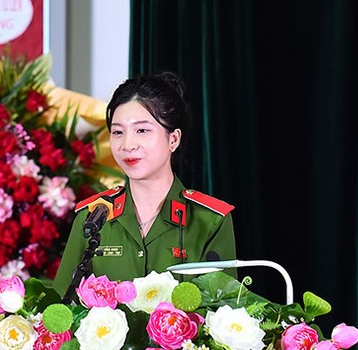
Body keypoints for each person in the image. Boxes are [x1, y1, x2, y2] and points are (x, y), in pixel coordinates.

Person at [53, 72, 236, 296]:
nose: (128, 144)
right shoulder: (93, 216)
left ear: (173, 139)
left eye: (142, 130)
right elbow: (61, 306)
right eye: (118, 132)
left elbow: (224, 315)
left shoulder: (209, 221)